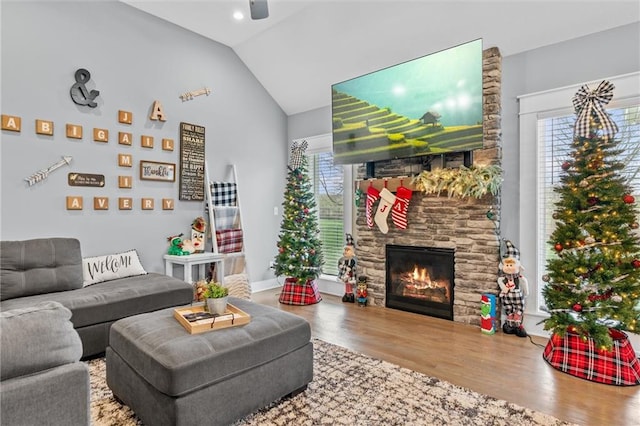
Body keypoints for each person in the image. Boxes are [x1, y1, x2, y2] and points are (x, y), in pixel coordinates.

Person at [338, 234, 357, 303]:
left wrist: (349, 268)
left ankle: (351, 295)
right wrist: (342, 266)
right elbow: (342, 265)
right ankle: (346, 294)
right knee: (346, 284)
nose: (345, 251)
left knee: (350, 284)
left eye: (347, 250)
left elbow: (352, 265)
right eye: (345, 250)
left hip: (350, 274)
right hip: (345, 274)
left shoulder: (352, 260)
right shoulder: (344, 260)